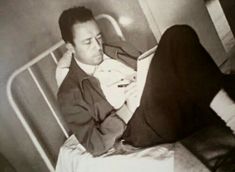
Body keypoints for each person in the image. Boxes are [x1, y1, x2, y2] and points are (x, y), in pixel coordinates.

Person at [57, 6, 235, 157]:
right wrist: (127, 108)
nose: (98, 46)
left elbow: (152, 74)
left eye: (98, 37)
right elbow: (94, 144)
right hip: (138, 125)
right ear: (70, 47)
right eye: (88, 42)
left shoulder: (117, 48)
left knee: (206, 76)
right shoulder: (68, 95)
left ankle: (224, 107)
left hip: (160, 100)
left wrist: (143, 77)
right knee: (176, 35)